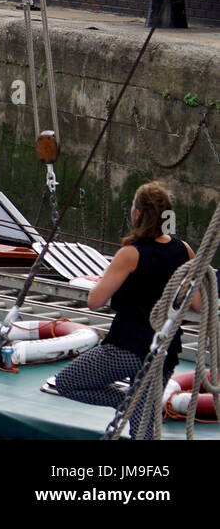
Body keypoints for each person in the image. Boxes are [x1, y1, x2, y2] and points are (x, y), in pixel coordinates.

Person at [54, 182, 201, 435]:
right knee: (144, 431)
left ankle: (124, 403)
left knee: (67, 382)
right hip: (163, 352)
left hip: (127, 349)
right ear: (166, 214)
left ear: (137, 214)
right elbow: (198, 303)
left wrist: (103, 279)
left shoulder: (130, 254)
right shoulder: (183, 249)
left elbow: (94, 301)